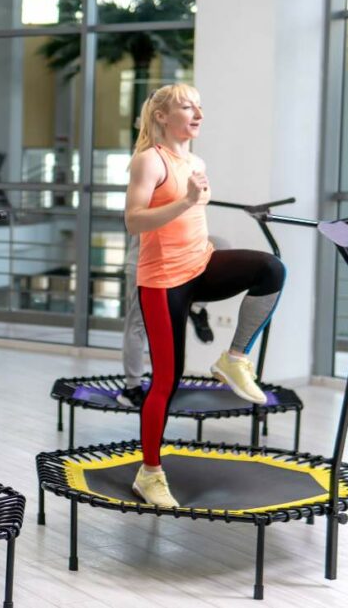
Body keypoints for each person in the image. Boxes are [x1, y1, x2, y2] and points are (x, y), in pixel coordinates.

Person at [124, 84, 285, 507]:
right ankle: (150, 474)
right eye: (186, 107)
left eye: (199, 107)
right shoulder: (149, 161)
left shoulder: (195, 160)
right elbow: (134, 222)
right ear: (161, 116)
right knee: (167, 378)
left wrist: (195, 201)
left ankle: (233, 359)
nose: (197, 114)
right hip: (162, 281)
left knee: (270, 268)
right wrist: (187, 201)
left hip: (201, 263)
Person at [117, 233, 224, 409]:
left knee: (220, 244)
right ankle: (132, 388)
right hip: (145, 265)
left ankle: (196, 307)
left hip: (175, 264)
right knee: (138, 326)